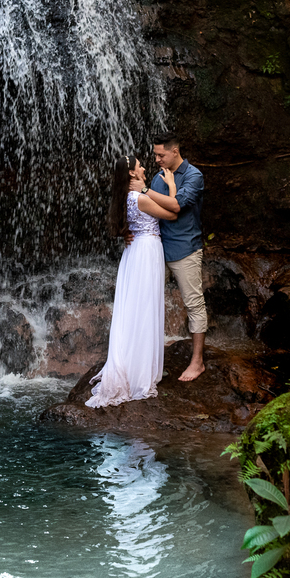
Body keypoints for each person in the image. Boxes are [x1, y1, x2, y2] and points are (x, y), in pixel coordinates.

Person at [86, 155, 178, 408]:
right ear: (132, 174)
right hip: (146, 252)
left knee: (134, 309)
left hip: (135, 252)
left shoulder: (124, 199)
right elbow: (173, 213)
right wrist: (171, 184)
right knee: (145, 308)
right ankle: (140, 372)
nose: (145, 167)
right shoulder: (141, 199)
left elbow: (122, 226)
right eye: (140, 166)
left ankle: (135, 362)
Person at [135, 132, 207, 381]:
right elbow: (145, 209)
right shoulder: (157, 178)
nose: (156, 159)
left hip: (184, 248)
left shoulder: (193, 176)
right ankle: (144, 358)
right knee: (147, 303)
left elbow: (177, 205)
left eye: (161, 154)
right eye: (155, 154)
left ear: (175, 152)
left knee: (194, 304)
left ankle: (197, 362)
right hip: (155, 250)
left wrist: (143, 188)